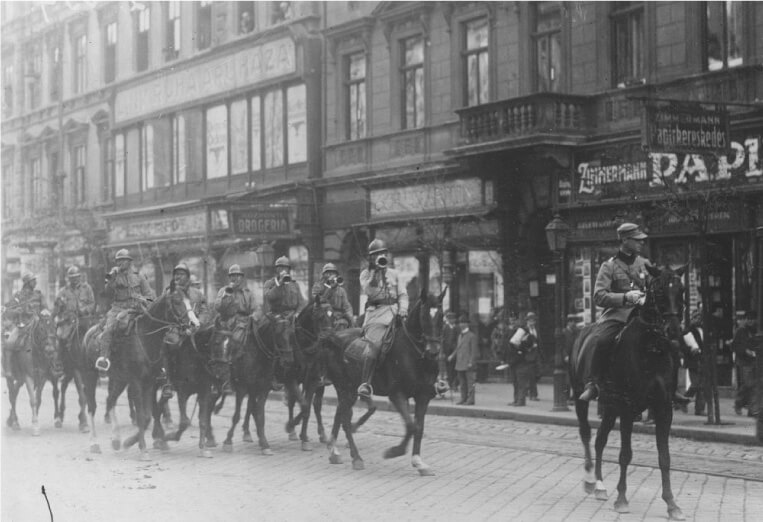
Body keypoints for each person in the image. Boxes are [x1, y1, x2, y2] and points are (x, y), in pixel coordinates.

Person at [578, 223, 652, 401]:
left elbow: (655, 288)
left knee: (668, 340)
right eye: (637, 240)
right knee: (603, 340)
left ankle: (669, 385)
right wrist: (625, 298)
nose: (641, 243)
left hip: (644, 315)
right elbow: (599, 296)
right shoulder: (609, 266)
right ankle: (594, 384)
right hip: (619, 316)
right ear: (625, 240)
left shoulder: (645, 264)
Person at [356, 239, 409, 400]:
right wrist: (375, 272)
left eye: (382, 254)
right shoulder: (365, 274)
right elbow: (369, 291)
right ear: (371, 258)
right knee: (375, 347)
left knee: (411, 341)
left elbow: (402, 294)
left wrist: (403, 310)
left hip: (394, 315)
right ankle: (365, 383)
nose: (381, 257)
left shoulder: (395, 274)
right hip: (376, 317)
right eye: (377, 255)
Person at [96, 250, 155, 371]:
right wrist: (111, 280)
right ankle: (104, 358)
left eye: (123, 260)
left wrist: (142, 299)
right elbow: (107, 294)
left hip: (138, 309)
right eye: (118, 260)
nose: (120, 262)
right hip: (118, 308)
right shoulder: (114, 276)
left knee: (154, 327)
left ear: (129, 261)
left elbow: (150, 296)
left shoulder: (139, 276)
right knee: (108, 329)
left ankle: (159, 363)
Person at [160, 263, 211, 398]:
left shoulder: (197, 294)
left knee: (212, 343)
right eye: (176, 274)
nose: (178, 276)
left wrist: (198, 324)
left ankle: (212, 380)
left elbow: (205, 311)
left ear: (187, 277)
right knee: (171, 344)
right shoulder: (169, 292)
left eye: (181, 274)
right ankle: (168, 381)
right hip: (176, 329)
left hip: (196, 329)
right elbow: (164, 311)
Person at [263, 256, 305, 375]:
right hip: (276, 315)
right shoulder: (270, 283)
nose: (283, 270)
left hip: (292, 316)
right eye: (280, 268)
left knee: (304, 334)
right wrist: (279, 284)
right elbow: (269, 297)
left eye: (285, 268)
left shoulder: (294, 285)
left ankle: (302, 367)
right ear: (276, 270)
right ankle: (275, 366)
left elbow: (301, 302)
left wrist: (297, 314)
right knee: (279, 333)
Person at [3, 272, 49, 377]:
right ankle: (8, 369)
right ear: (27, 283)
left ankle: (52, 367)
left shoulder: (39, 294)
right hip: (22, 325)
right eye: (33, 280)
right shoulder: (18, 296)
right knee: (10, 342)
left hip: (37, 324)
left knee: (50, 341)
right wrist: (17, 311)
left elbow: (45, 308)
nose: (35, 282)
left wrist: (44, 312)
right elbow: (8, 311)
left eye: (35, 280)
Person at [214, 264, 255, 372]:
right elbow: (218, 307)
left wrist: (253, 317)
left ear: (241, 277)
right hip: (227, 321)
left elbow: (255, 308)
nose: (235, 278)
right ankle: (226, 366)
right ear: (229, 278)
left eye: (238, 276)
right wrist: (227, 295)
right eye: (232, 276)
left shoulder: (248, 293)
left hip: (244, 322)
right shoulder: (223, 291)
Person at [52, 266, 96, 347]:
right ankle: (61, 357)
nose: (75, 279)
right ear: (68, 279)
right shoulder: (63, 291)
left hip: (84, 319)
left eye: (76, 277)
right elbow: (56, 308)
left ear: (80, 277)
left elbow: (92, 304)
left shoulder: (87, 288)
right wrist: (59, 308)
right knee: (62, 337)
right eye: (72, 278)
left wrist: (84, 310)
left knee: (93, 338)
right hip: (68, 321)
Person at [311, 263, 354, 331]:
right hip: (323, 316)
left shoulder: (341, 290)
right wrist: (329, 287)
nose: (331, 275)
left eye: (333, 273)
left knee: (348, 328)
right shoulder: (318, 286)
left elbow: (347, 306)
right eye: (328, 273)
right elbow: (318, 300)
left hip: (338, 317)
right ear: (324, 275)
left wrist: (350, 317)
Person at [732, 310, 757, 417]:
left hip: (754, 361)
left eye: (752, 319)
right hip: (743, 361)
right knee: (747, 384)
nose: (751, 321)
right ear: (745, 320)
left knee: (753, 386)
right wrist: (745, 350)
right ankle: (739, 403)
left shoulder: (756, 331)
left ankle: (751, 409)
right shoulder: (741, 331)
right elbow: (735, 346)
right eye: (749, 319)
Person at [681, 309, 706, 416]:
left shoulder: (704, 330)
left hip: (703, 360)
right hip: (693, 361)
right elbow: (682, 347)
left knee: (703, 386)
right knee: (695, 384)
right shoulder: (687, 331)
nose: (698, 319)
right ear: (691, 318)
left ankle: (699, 409)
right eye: (695, 317)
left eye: (699, 317)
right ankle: (683, 400)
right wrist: (690, 350)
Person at [449, 315, 478, 405]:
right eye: (460, 323)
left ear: (467, 324)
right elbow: (458, 348)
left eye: (463, 323)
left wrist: (471, 362)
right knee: (462, 382)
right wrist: (452, 356)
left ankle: (470, 399)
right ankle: (463, 398)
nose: (461, 324)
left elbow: (474, 351)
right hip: (460, 362)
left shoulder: (471, 336)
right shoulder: (460, 336)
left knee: (470, 382)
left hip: (467, 363)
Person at [563, 314, 581, 403]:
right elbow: (561, 346)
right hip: (567, 358)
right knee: (567, 379)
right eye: (572, 322)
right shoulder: (564, 332)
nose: (574, 324)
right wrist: (565, 355)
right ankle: (566, 398)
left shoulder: (576, 332)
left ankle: (574, 397)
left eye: (575, 322)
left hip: (575, 358)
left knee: (575, 378)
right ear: (568, 322)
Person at [524, 312, 541, 400]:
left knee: (536, 374)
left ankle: (527, 390)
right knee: (531, 375)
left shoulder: (535, 330)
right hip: (528, 356)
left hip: (536, 355)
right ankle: (533, 394)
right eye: (530, 321)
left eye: (533, 321)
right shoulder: (525, 330)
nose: (532, 323)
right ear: (527, 321)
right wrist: (529, 348)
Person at [439, 311, 459, 392]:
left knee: (456, 368)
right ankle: (451, 384)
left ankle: (455, 384)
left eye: (453, 319)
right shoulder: (445, 328)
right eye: (450, 319)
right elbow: (442, 340)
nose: (451, 320)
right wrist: (442, 352)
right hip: (447, 351)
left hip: (456, 350)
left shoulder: (457, 328)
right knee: (449, 368)